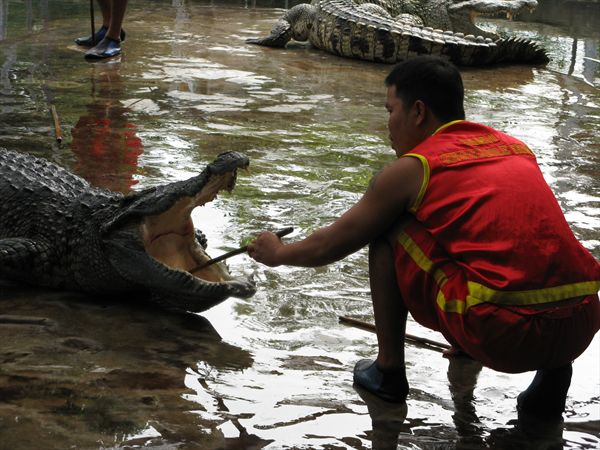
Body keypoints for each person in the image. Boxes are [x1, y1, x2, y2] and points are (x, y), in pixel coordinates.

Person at [247, 55, 600, 421]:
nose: (388, 125)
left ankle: (387, 371)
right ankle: (555, 376)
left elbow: (331, 244)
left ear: (417, 111)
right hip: (582, 322)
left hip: (505, 335)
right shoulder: (515, 148)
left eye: (390, 110)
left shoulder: (415, 167)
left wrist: (278, 252)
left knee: (388, 230)